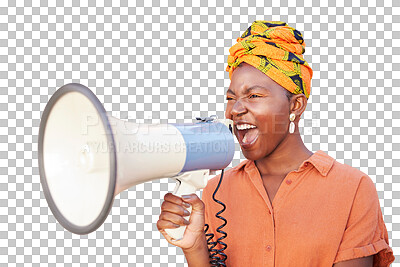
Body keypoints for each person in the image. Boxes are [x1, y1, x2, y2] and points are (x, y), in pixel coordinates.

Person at [156, 21, 395, 267]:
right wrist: (195, 249)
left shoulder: (353, 189)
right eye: (231, 98)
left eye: (254, 96)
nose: (235, 110)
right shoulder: (216, 191)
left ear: (295, 106)